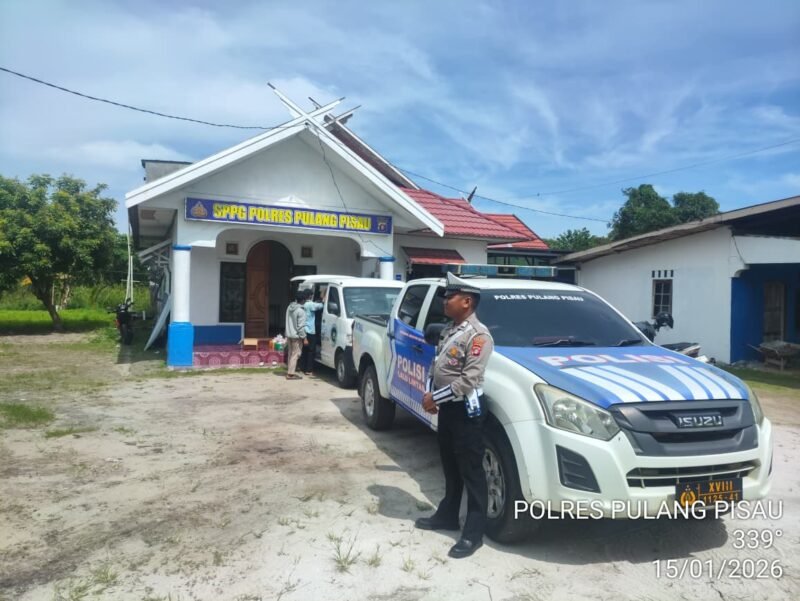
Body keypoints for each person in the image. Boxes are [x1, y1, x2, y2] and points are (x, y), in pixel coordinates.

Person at [416, 272, 494, 559]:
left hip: (466, 411)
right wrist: (431, 394)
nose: (446, 301)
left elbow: (469, 380)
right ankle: (448, 515)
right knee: (450, 466)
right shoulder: (450, 330)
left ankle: (473, 534)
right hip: (447, 408)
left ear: (467, 301)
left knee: (472, 472)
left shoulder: (479, 336)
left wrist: (433, 398)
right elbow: (436, 366)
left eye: (451, 297)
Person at [284, 290, 308, 380]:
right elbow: (300, 327)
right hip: (296, 336)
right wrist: (304, 338)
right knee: (296, 354)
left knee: (291, 353)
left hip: (289, 334)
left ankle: (290, 371)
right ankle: (290, 374)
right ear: (303, 300)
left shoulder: (289, 307)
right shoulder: (300, 311)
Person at [301, 289, 324, 375]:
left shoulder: (303, 304)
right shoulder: (310, 304)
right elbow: (321, 306)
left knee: (304, 350)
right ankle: (309, 370)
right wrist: (324, 299)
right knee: (311, 351)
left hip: (303, 330)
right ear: (310, 295)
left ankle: (303, 367)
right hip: (310, 330)